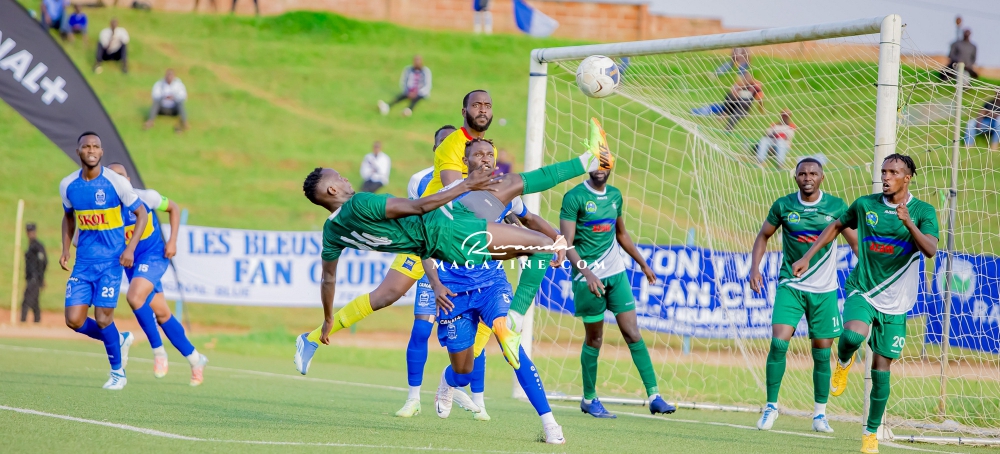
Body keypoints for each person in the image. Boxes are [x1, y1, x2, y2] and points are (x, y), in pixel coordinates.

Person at [793, 153, 939, 454]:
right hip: (863, 289)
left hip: (896, 302)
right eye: (883, 171)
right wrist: (807, 257)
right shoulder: (864, 204)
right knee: (851, 335)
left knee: (881, 369)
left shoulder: (923, 211)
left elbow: (930, 250)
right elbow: (836, 226)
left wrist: (908, 223)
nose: (885, 177)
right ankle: (844, 361)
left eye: (893, 172)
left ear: (907, 178)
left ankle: (870, 433)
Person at [423, 139, 567, 443]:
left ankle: (550, 424)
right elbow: (423, 243)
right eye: (478, 154)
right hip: (454, 293)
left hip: (492, 285)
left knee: (511, 344)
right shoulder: (448, 196)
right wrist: (435, 284)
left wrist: (557, 239)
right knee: (463, 372)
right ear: (466, 162)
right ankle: (449, 382)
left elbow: (530, 219)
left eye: (490, 154)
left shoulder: (506, 193)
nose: (486, 159)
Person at [748, 157, 858, 433]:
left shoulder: (836, 207)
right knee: (778, 342)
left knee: (822, 352)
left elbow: (856, 243)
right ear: (795, 177)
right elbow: (763, 235)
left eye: (813, 173)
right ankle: (771, 406)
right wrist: (754, 268)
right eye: (802, 174)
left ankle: (820, 415)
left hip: (824, 290)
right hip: (791, 285)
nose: (807, 177)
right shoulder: (783, 205)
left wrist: (867, 275)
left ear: (822, 177)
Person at [560, 166, 676, 418]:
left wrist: (642, 263)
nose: (599, 169)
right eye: (595, 164)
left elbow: (621, 233)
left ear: (611, 166)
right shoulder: (574, 197)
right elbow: (566, 244)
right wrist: (588, 273)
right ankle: (589, 399)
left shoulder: (615, 195)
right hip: (587, 278)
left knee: (633, 332)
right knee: (595, 339)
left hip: (616, 274)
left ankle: (654, 396)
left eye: (604, 164)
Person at [59, 132, 147, 390]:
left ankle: (118, 373)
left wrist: (130, 249)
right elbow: (68, 217)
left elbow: (141, 214)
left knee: (103, 318)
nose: (91, 150)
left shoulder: (116, 182)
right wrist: (65, 249)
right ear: (78, 151)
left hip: (110, 262)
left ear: (101, 151)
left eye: (96, 146)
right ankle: (118, 339)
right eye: (86, 146)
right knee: (74, 320)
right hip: (83, 263)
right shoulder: (68, 185)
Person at [107, 164, 209, 386]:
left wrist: (172, 241)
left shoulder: (147, 197)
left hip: (153, 255)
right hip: (132, 263)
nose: (117, 182)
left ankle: (159, 352)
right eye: (112, 178)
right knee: (162, 314)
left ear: (128, 180)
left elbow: (173, 208)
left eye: (121, 177)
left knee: (134, 297)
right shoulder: (106, 209)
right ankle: (196, 359)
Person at [21, 223, 47, 324]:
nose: (30, 234)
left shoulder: (37, 247)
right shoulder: (31, 246)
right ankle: (37, 320)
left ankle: (22, 321)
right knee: (34, 301)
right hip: (30, 277)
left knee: (26, 300)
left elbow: (43, 262)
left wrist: (41, 277)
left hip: (35, 278)